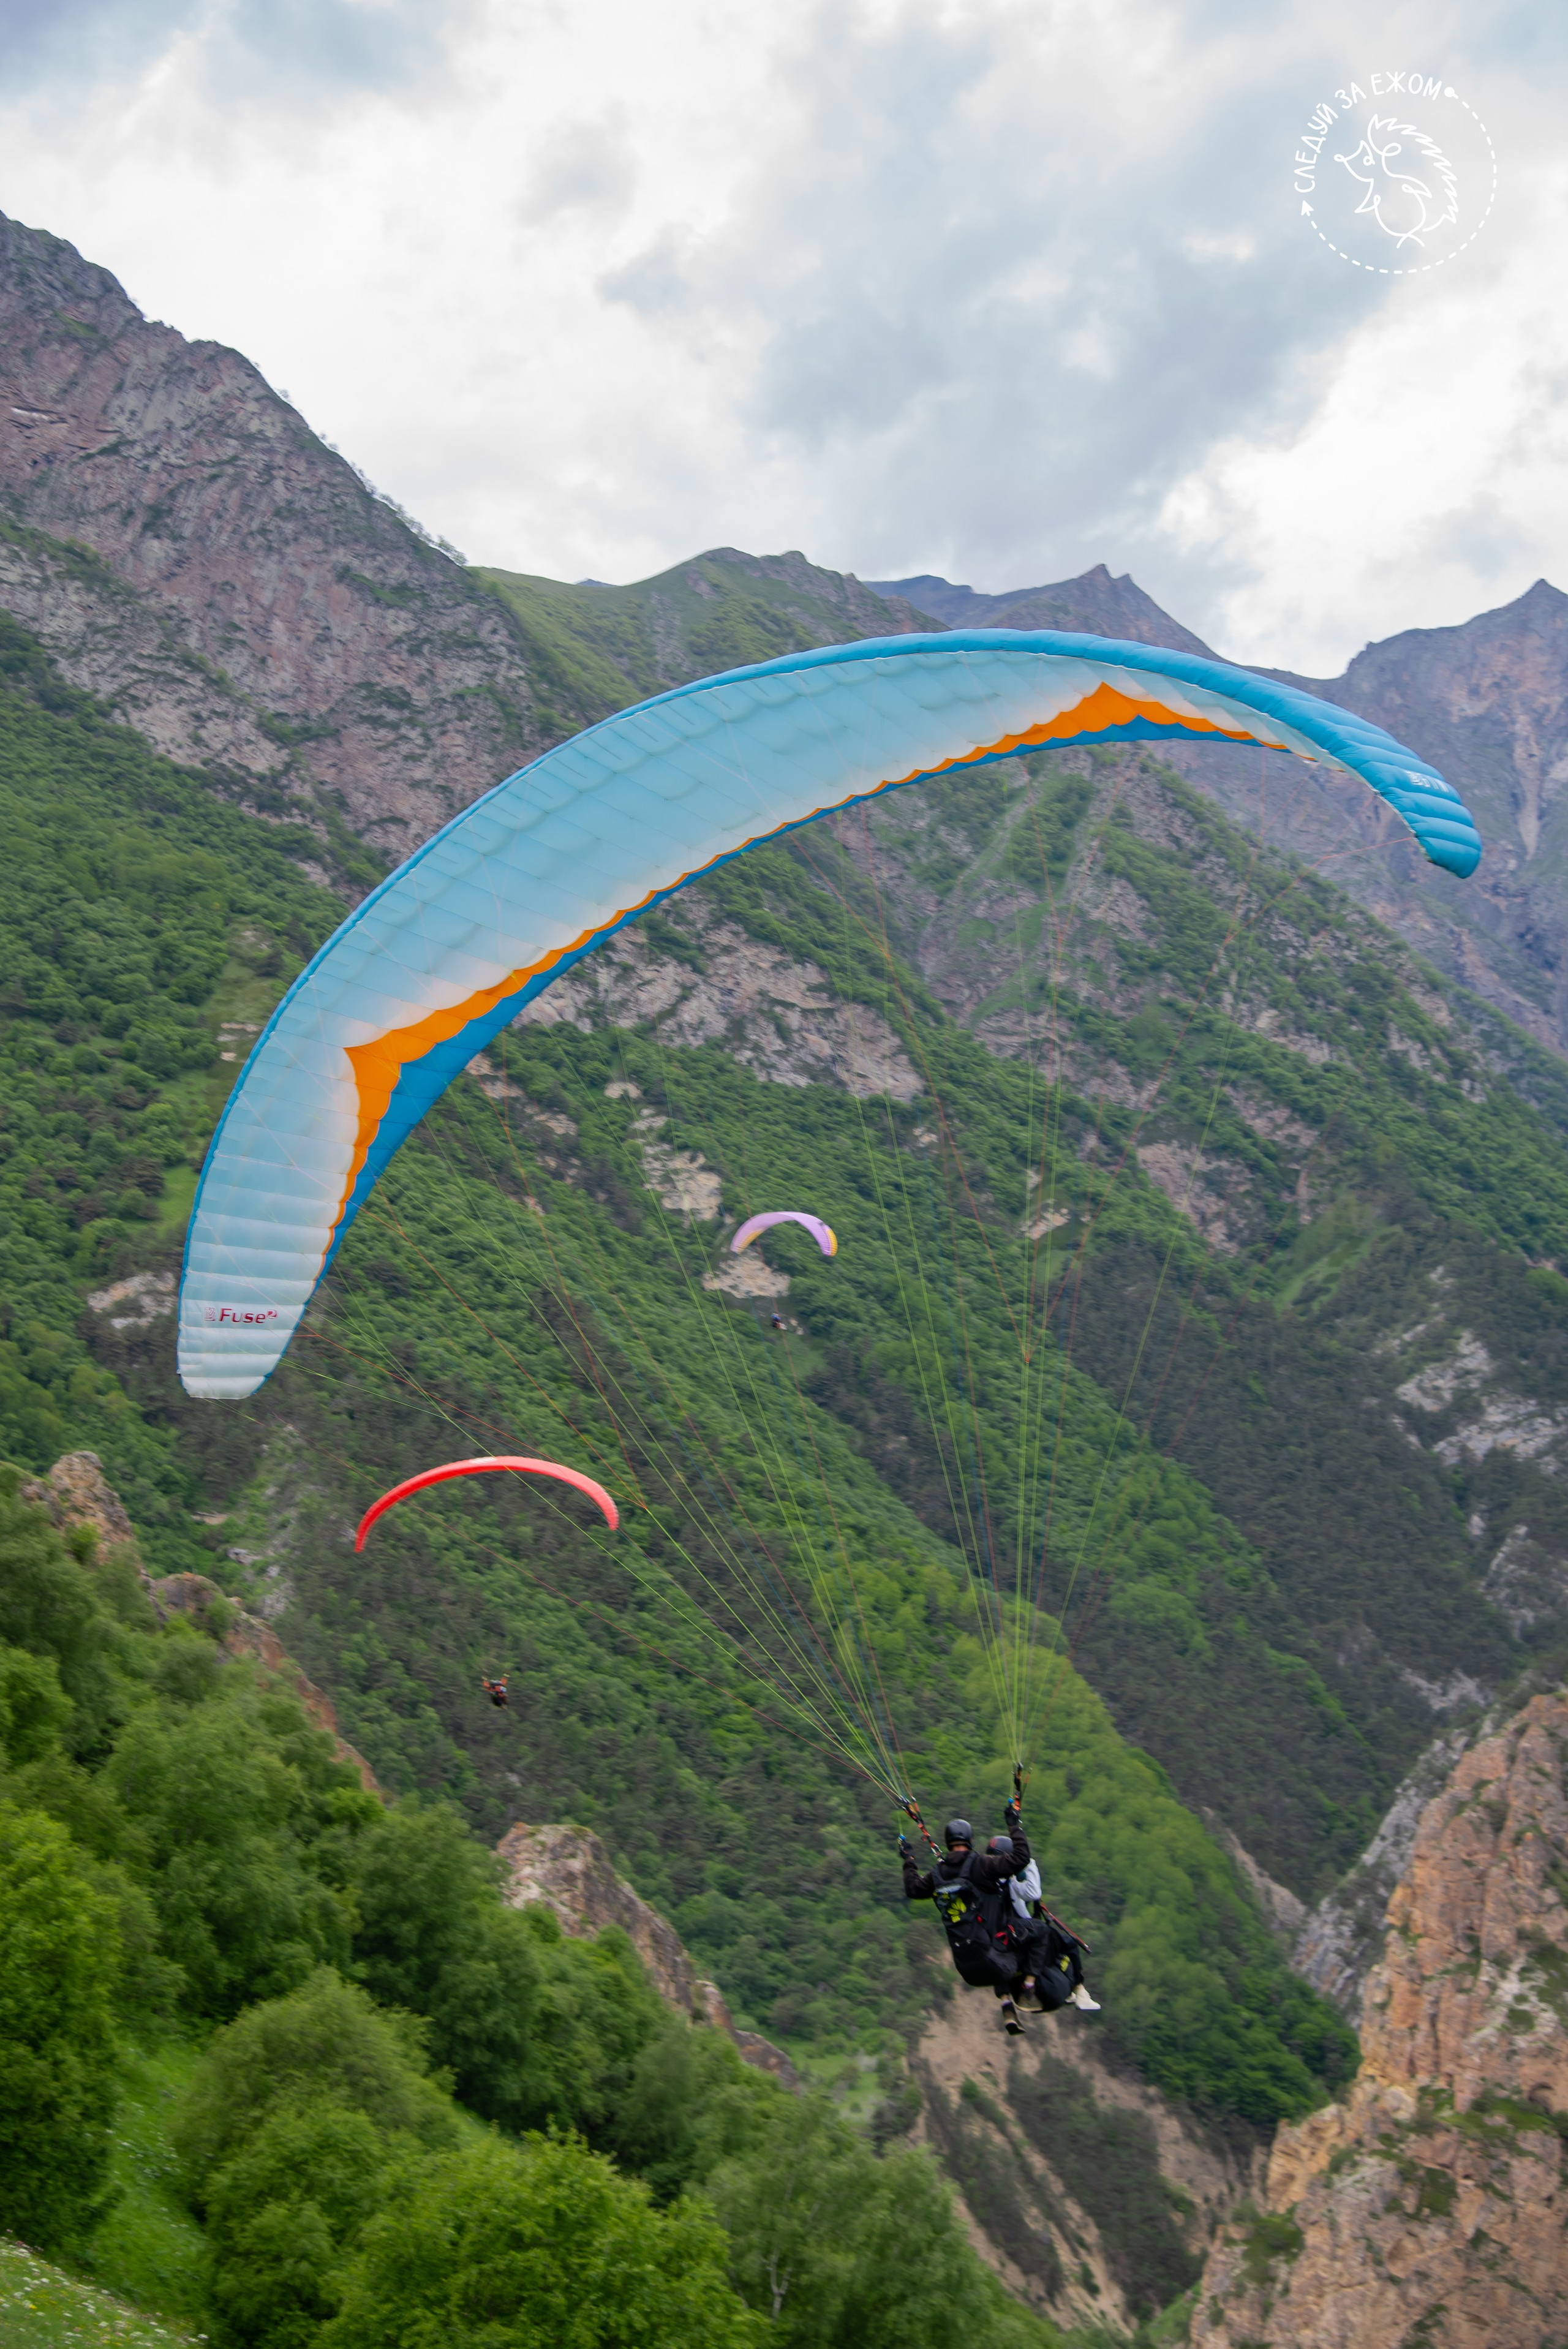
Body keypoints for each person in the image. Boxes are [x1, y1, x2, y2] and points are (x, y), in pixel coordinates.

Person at [900, 1801, 1035, 2035]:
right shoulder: (983, 1865)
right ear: (971, 1842)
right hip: (997, 1959)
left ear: (948, 1843)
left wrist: (909, 1860)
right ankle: (1033, 1989)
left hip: (966, 1968)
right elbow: (1021, 1857)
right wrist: (1013, 1825)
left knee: (995, 1942)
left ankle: (1006, 2003)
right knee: (1035, 1933)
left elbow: (913, 1888)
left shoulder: (937, 1873)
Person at [990, 1834, 1099, 2013]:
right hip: (1023, 1934)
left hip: (1002, 1936)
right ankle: (1080, 1991)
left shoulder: (986, 1881)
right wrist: (1026, 1862)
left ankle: (1007, 1999)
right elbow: (1033, 1893)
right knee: (1069, 1944)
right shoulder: (1010, 1881)